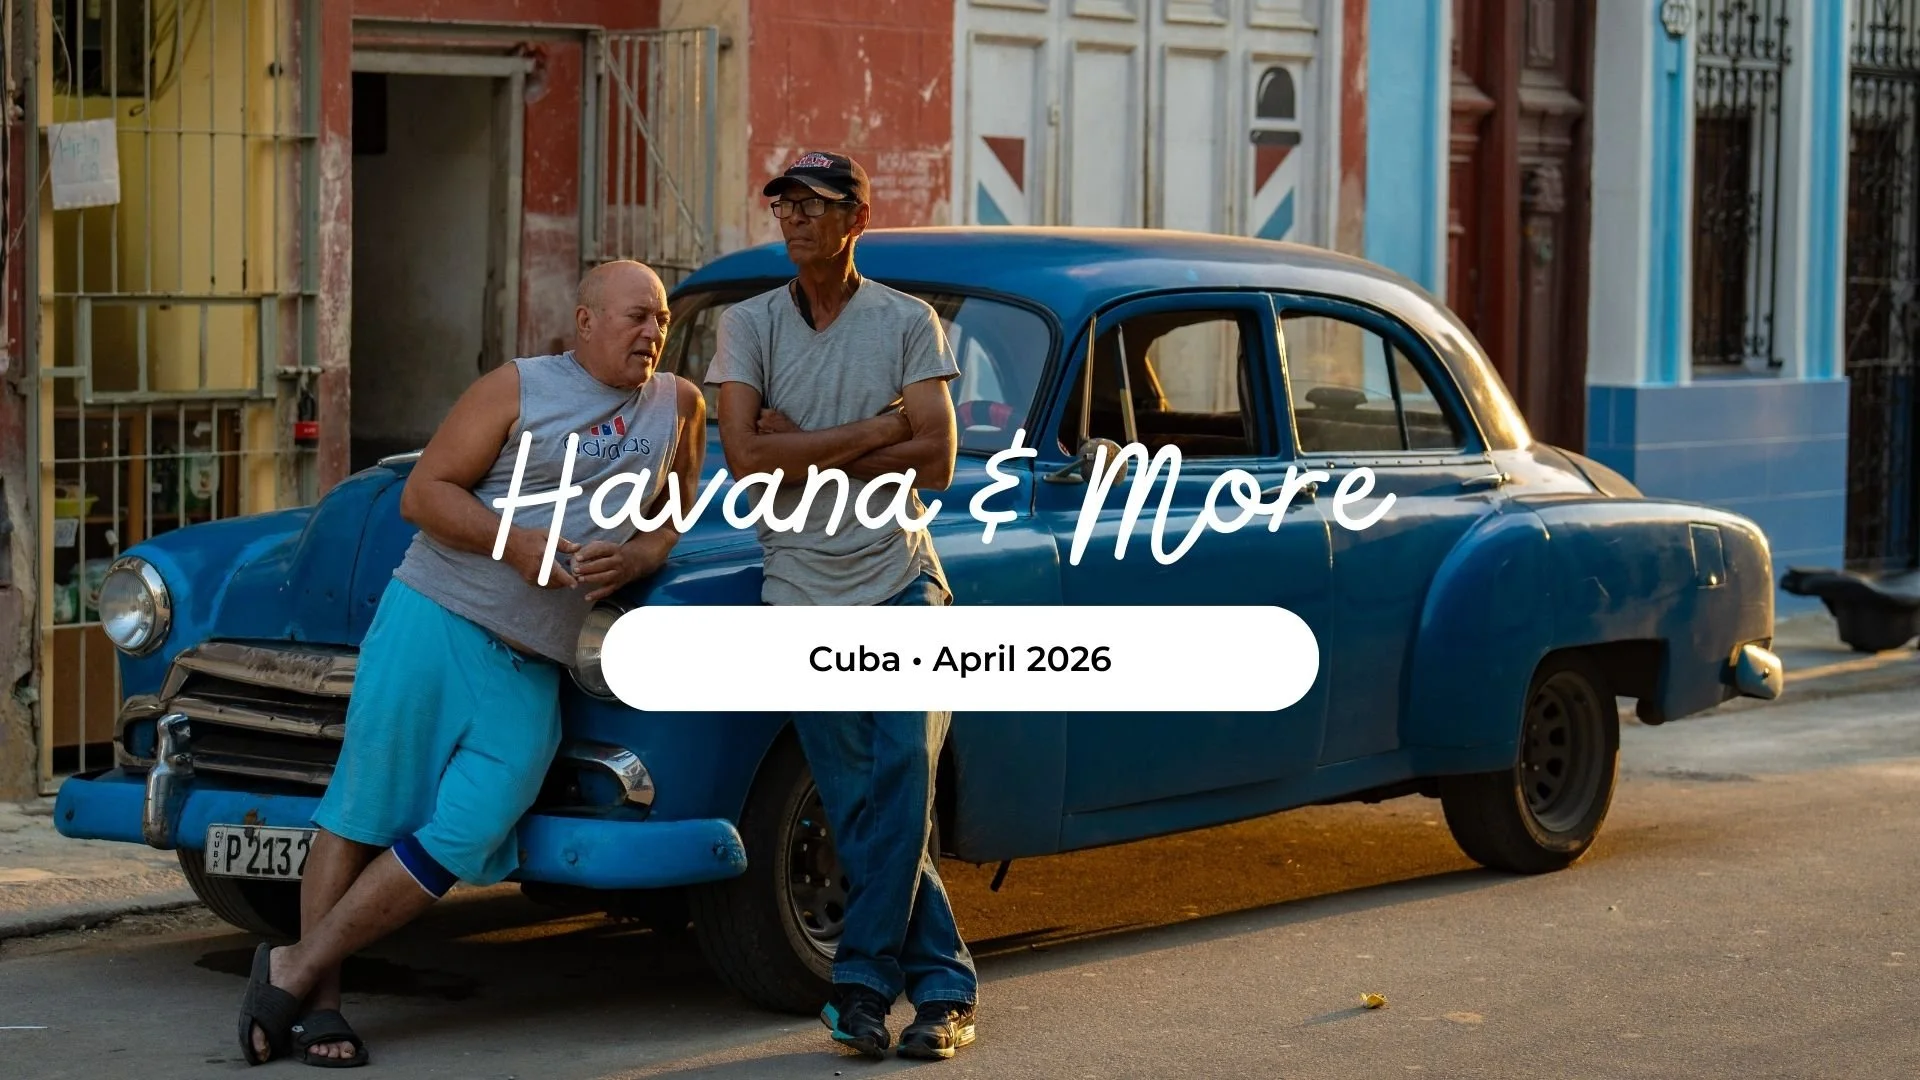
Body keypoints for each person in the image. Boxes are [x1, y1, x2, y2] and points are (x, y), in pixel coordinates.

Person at [233, 260, 705, 1067]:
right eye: (636, 316)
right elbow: (424, 494)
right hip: (437, 620)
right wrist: (514, 545)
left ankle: (294, 967)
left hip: (532, 662)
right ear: (585, 321)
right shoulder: (517, 387)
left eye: (661, 319)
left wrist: (637, 558)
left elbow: (674, 513)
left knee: (471, 828)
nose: (652, 333)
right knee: (363, 810)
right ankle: (323, 1006)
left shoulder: (678, 406)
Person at [704, 150, 978, 1060]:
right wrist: (876, 429)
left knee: (903, 769)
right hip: (801, 592)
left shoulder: (907, 322)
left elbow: (936, 462)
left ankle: (859, 984)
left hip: (900, 580)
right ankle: (942, 989)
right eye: (785, 203)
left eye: (815, 204)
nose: (794, 217)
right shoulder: (749, 325)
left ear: (857, 218)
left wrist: (806, 444)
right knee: (859, 802)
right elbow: (747, 459)